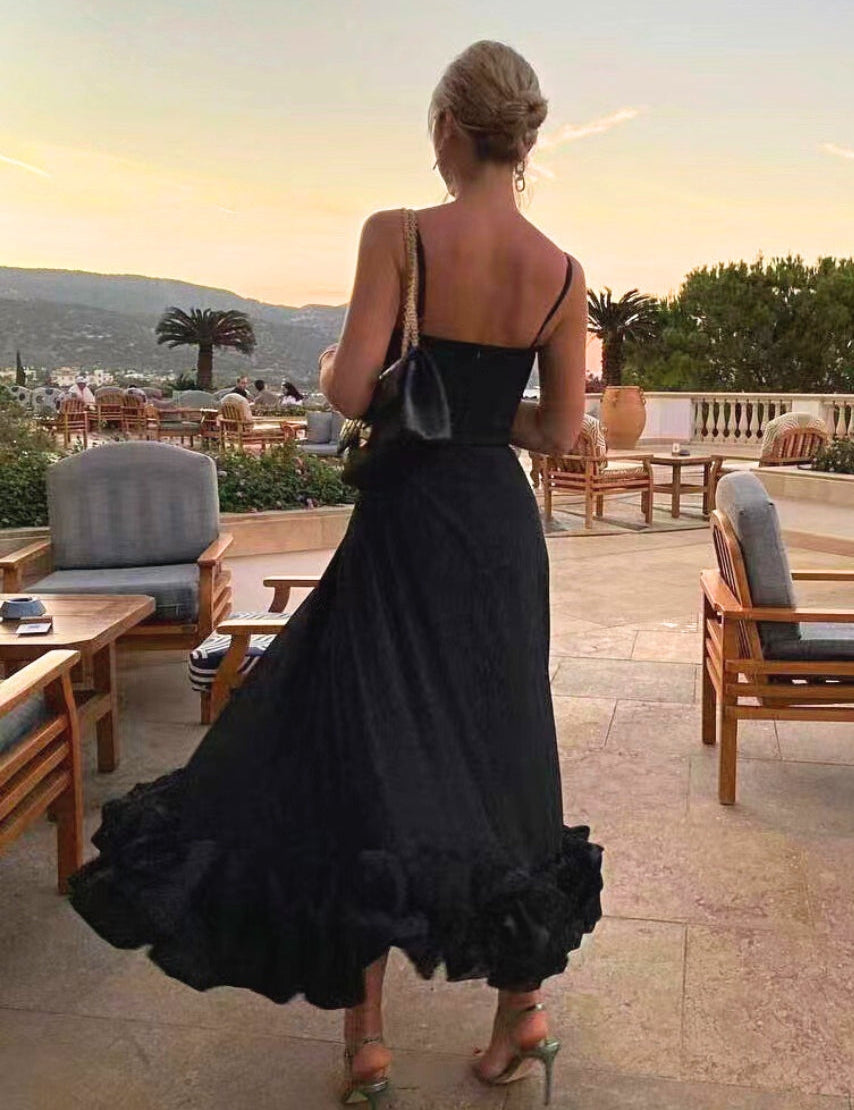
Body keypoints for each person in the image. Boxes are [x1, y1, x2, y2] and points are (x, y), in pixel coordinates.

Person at [68, 40, 602, 1109]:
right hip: (497, 536)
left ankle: (367, 1046)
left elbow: (354, 392)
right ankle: (522, 1013)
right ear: (525, 139)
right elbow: (559, 434)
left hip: (407, 527)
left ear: (446, 127)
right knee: (506, 754)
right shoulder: (560, 272)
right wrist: (483, 412)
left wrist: (334, 369)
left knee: (366, 754)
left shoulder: (397, 234)